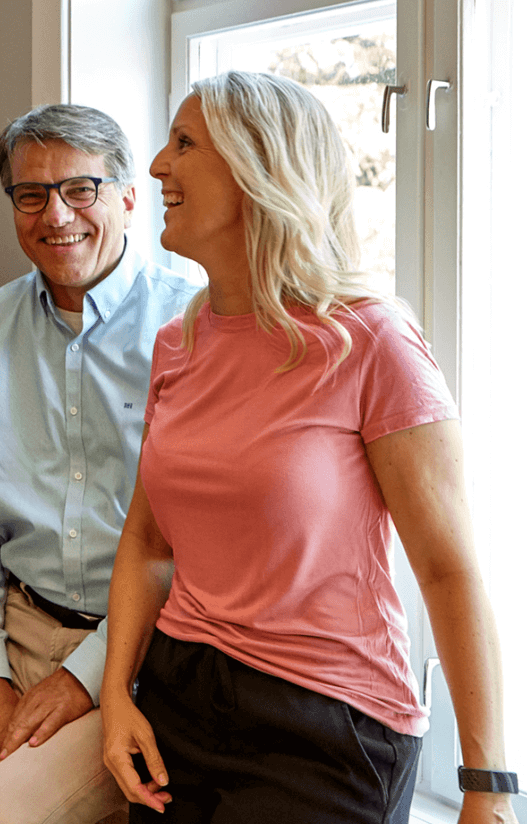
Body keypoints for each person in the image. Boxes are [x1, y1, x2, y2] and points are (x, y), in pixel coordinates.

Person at [101, 70, 519, 824]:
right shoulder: (178, 344)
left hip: (326, 724)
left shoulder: (371, 341)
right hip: (180, 696)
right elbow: (147, 542)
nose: (158, 165)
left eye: (184, 142)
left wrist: (487, 785)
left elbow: (449, 569)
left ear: (261, 169)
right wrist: (115, 696)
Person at [0, 103, 200, 824]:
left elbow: (193, 543)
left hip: (144, 654)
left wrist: (86, 679)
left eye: (81, 188)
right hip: (17, 631)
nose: (57, 214)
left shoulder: (194, 326)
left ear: (128, 197)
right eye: (32, 194)